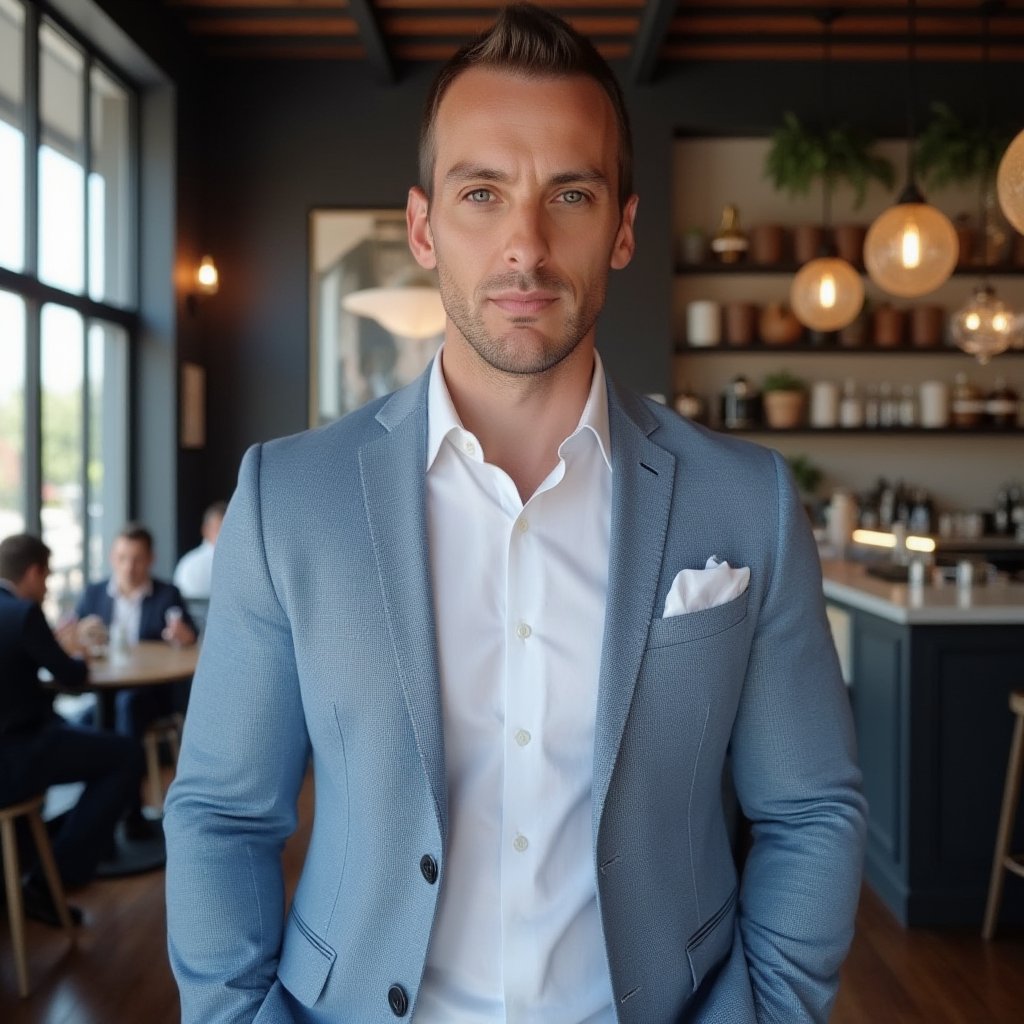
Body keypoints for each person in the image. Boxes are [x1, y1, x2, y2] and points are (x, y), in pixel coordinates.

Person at [165, 6, 866, 1023]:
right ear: (422, 226)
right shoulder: (288, 498)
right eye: (481, 193)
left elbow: (808, 810)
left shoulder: (743, 497)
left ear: (622, 226)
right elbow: (224, 818)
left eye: (568, 194)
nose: (524, 247)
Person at [0, 534, 143, 924]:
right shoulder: (23, 615)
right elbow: (73, 676)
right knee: (126, 754)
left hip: (16, 742)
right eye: (45, 577)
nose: (45, 587)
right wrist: (73, 651)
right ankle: (52, 881)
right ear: (33, 572)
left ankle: (39, 861)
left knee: (77, 726)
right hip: (16, 757)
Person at [74, 522, 197, 741]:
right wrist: (80, 633)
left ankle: (129, 769)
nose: (129, 567)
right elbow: (74, 637)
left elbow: (190, 638)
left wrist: (184, 637)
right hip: (105, 684)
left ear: (151, 559)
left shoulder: (167, 595)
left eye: (137, 559)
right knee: (80, 721)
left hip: (151, 689)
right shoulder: (93, 593)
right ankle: (107, 769)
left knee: (126, 705)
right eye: (122, 558)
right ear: (112, 557)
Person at [173, 500, 227, 600]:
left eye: (226, 530)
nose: (223, 535)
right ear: (205, 530)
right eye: (218, 529)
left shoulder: (187, 562)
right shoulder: (190, 565)